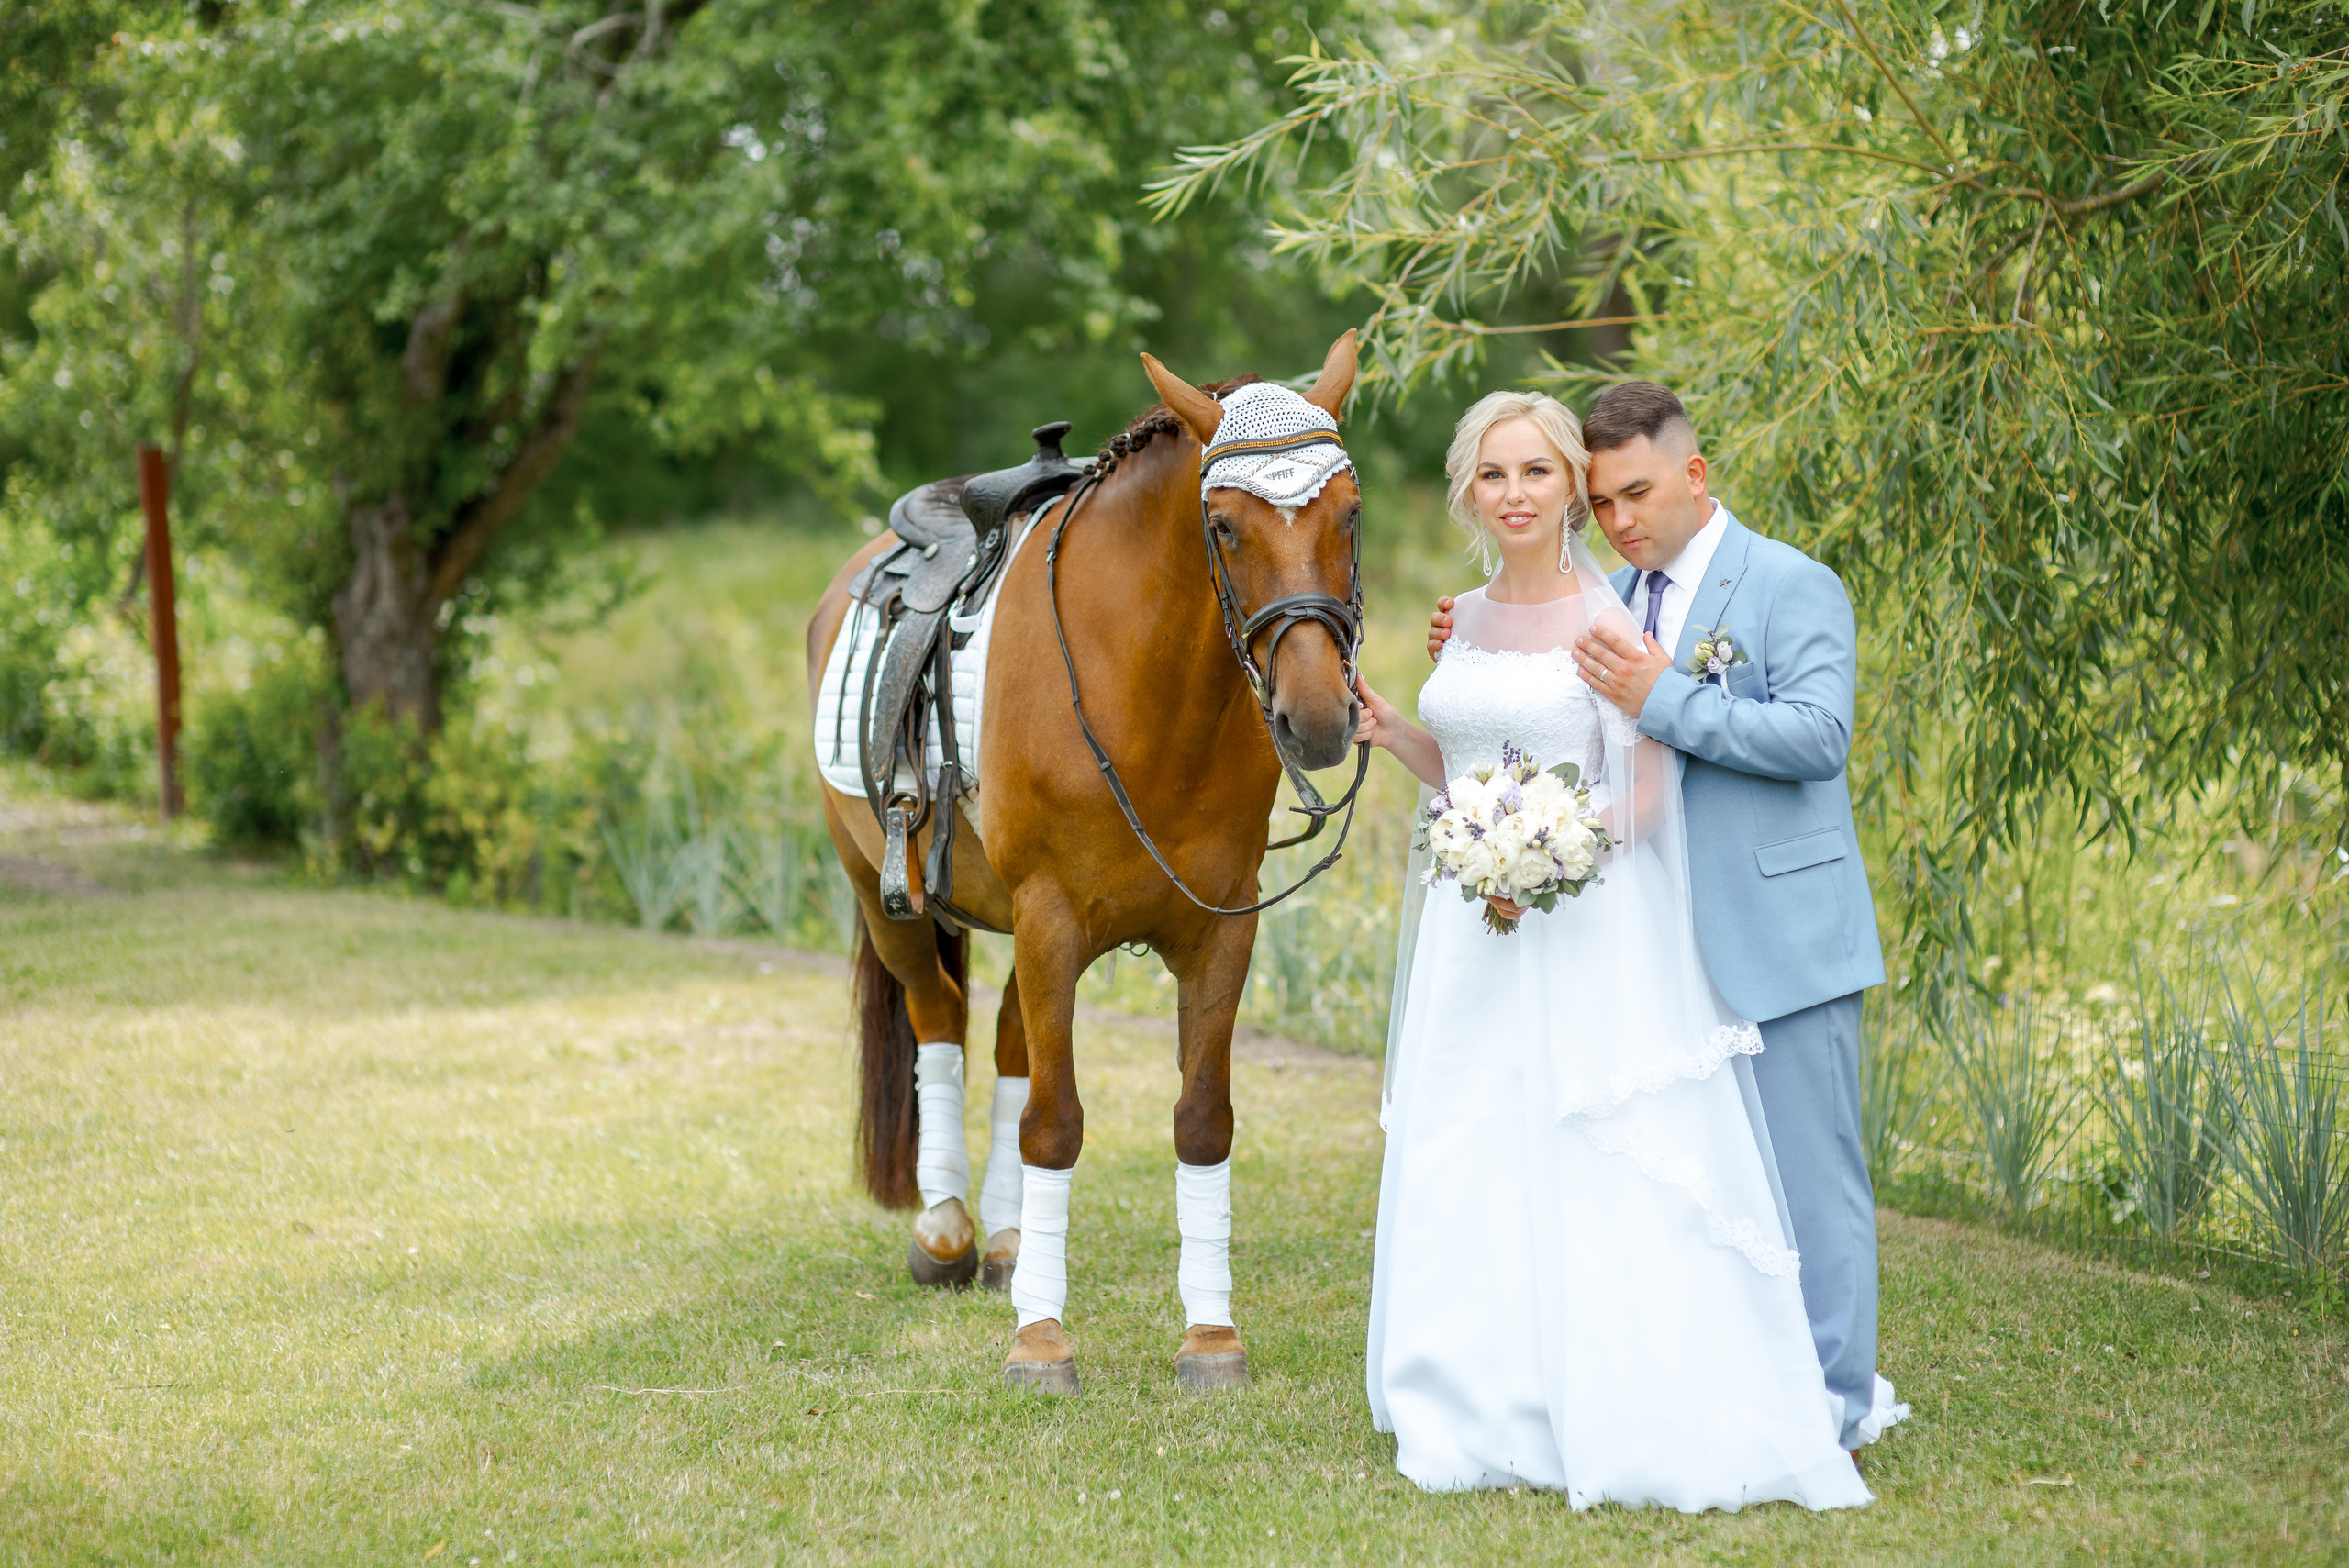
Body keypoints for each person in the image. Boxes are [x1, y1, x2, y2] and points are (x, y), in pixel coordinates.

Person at [1351, 388, 1882, 1508]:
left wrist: (1554, 837)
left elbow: (1804, 737)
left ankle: (1824, 1401)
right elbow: (1495, 755)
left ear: (1693, 474)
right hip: (1503, 923)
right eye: (1600, 493)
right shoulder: (1587, 597)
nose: (1608, 510)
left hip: (1722, 917)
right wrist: (1408, 735)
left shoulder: (1771, 587)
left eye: (1612, 488)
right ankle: (1483, 1382)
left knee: (1794, 1175)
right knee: (1489, 1152)